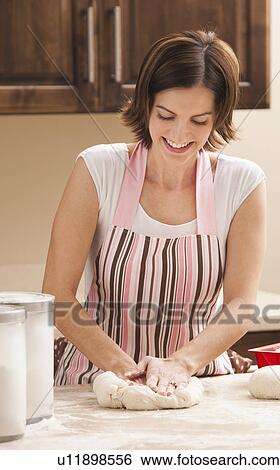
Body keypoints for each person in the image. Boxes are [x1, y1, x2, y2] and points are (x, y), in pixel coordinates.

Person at [44, 30, 266, 396]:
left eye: (199, 121)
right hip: (97, 381)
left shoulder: (242, 182)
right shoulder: (98, 169)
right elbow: (58, 293)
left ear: (218, 117)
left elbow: (241, 305)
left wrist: (180, 364)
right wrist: (125, 370)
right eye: (166, 115)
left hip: (200, 383)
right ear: (146, 104)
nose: (180, 134)